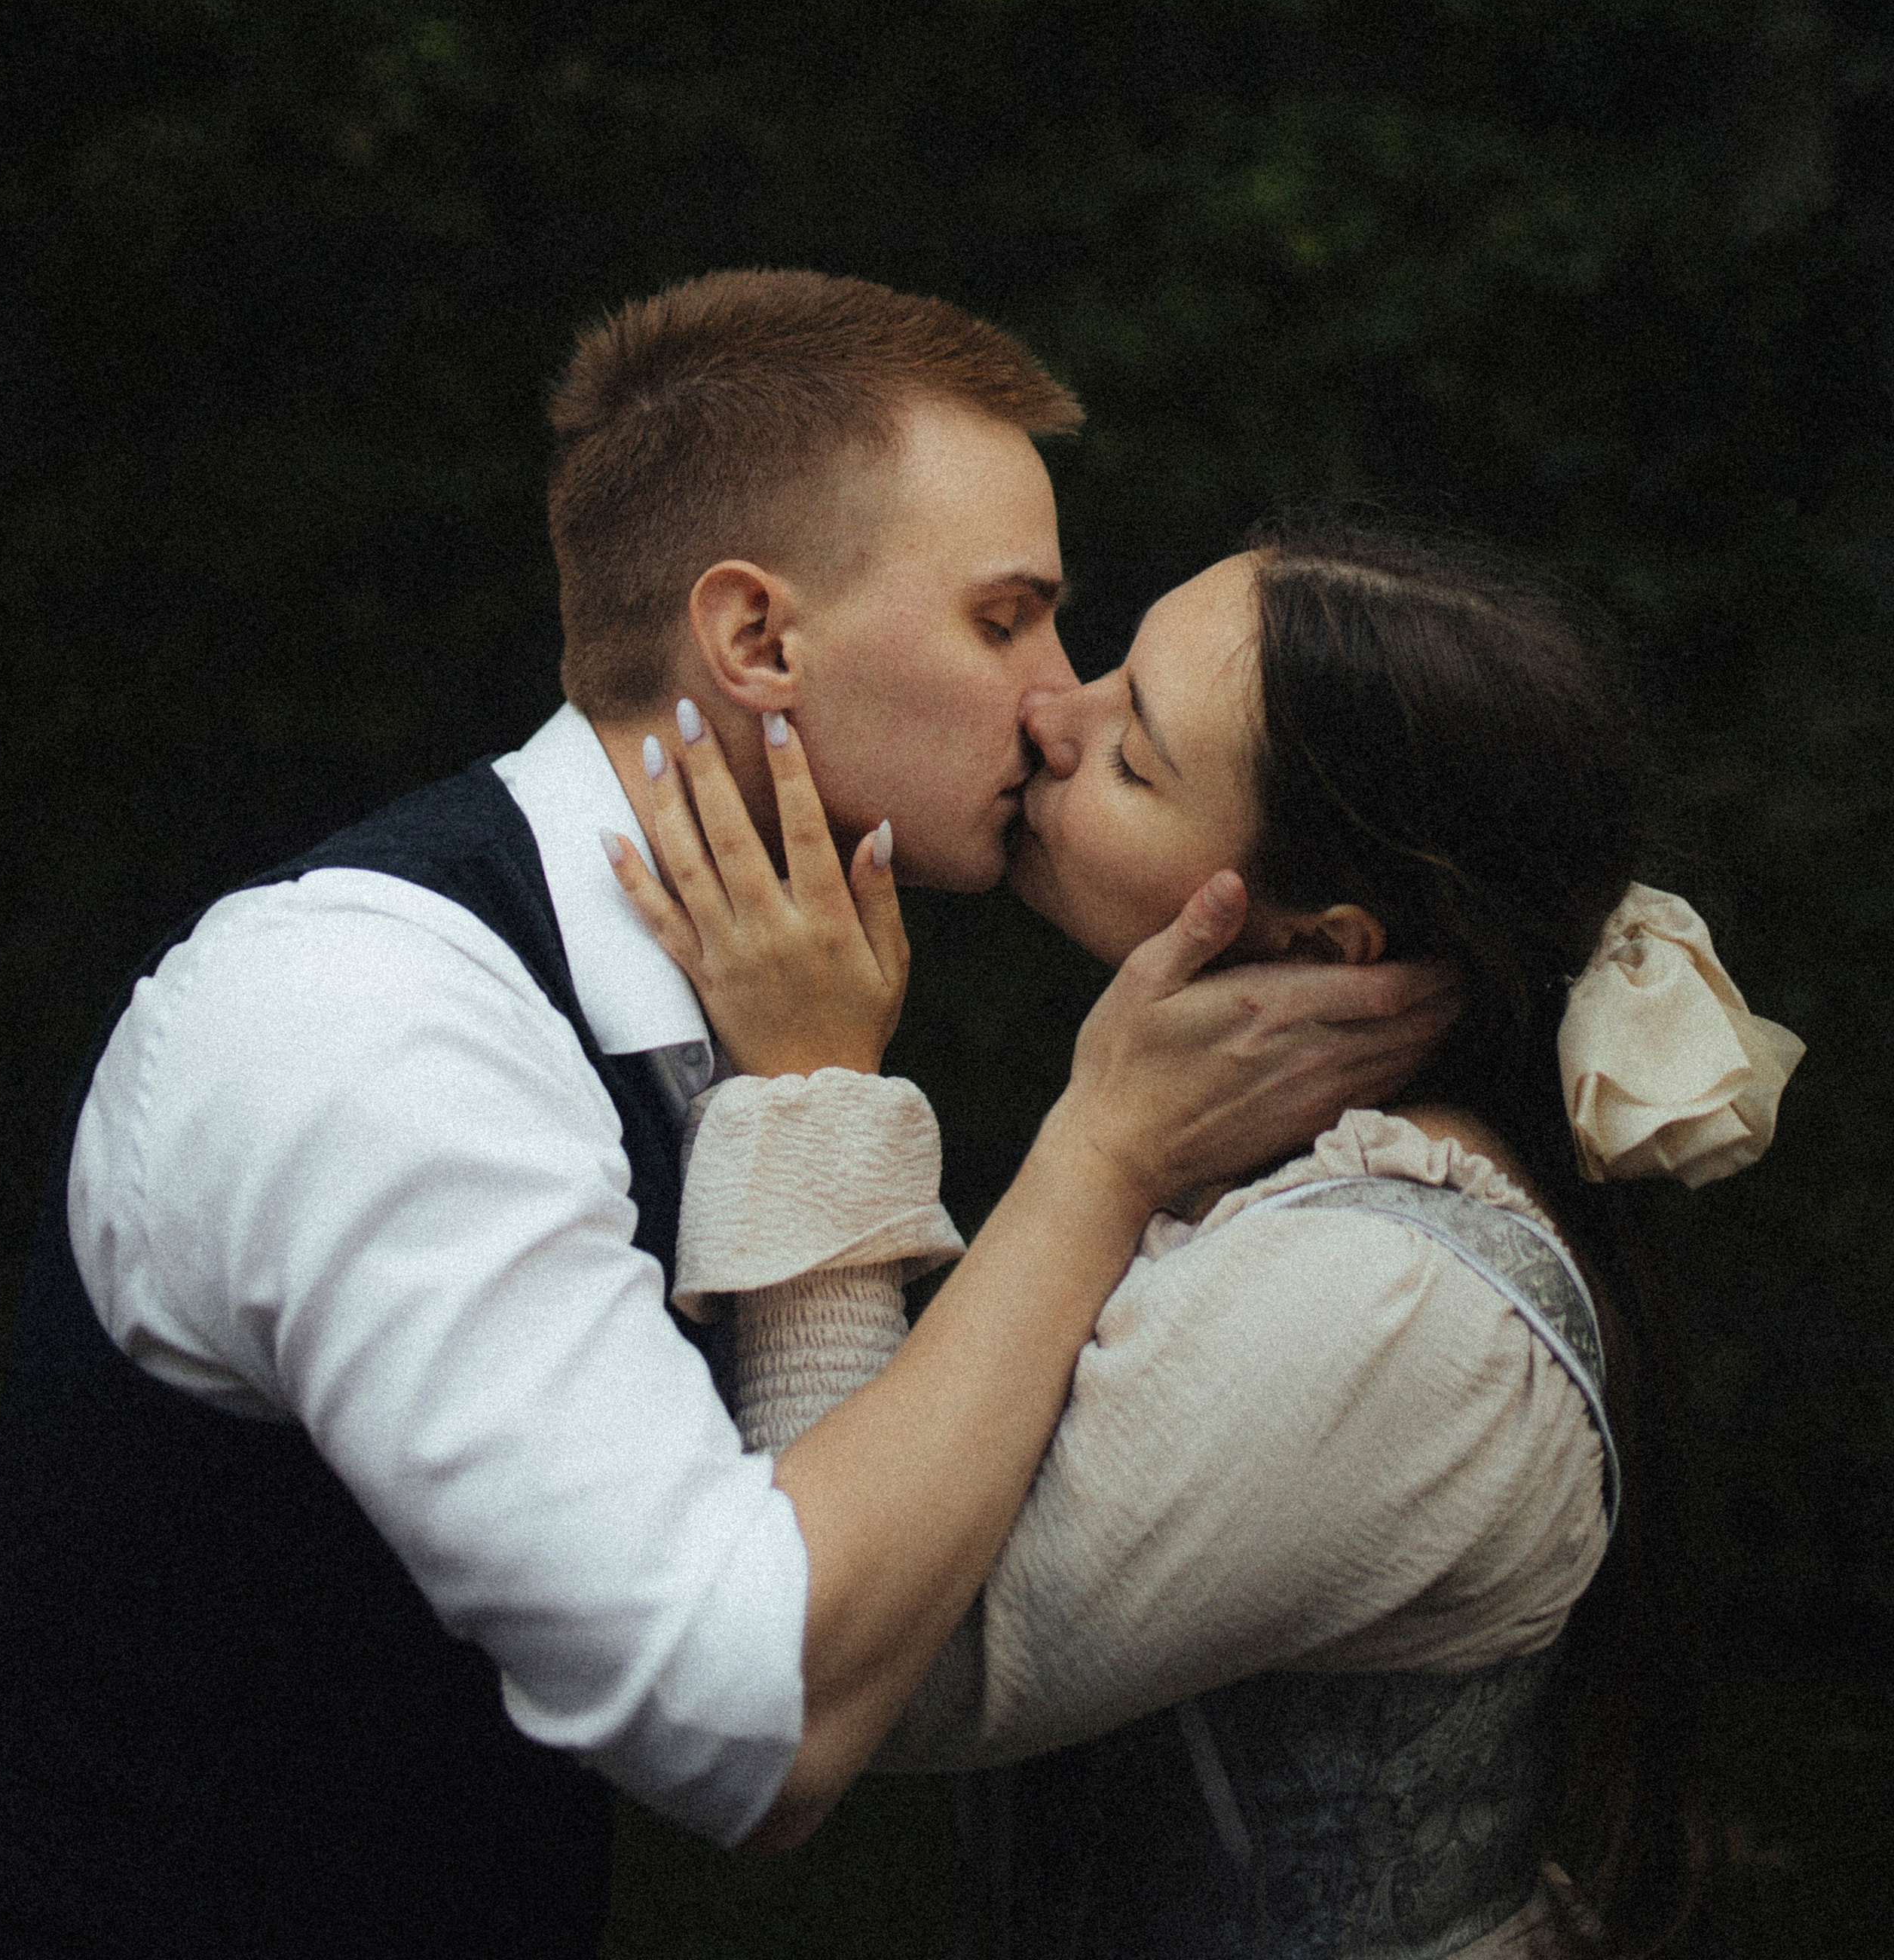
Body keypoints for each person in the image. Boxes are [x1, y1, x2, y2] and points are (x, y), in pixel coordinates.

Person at [0, 273, 1452, 1960]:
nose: (1054, 701)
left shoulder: (739, 1008)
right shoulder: (370, 1024)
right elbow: (739, 1713)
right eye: (1002, 618)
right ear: (756, 642)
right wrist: (1099, 1157)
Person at [609, 511, 1804, 1957]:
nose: (1053, 713)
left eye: (1132, 755)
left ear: (1320, 948)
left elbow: (831, 1665)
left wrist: (822, 1089)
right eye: (1114, 673)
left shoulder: (1396, 1309)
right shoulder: (1288, 1176)